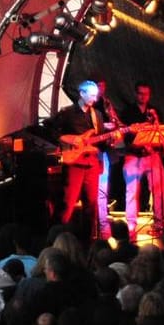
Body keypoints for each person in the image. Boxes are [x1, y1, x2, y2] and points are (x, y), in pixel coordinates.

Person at [53, 80, 116, 239]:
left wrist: (111, 139)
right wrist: (70, 139)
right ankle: (58, 239)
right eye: (92, 95)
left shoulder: (97, 115)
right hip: (74, 163)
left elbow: (100, 140)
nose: (95, 99)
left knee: (92, 204)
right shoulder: (67, 113)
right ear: (81, 93)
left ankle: (90, 240)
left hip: (92, 163)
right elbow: (51, 132)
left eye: (96, 96)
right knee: (68, 203)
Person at [119, 81, 164, 239]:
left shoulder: (154, 112)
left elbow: (161, 133)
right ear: (135, 94)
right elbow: (122, 137)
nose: (143, 96)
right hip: (133, 156)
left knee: (159, 190)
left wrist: (153, 145)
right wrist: (137, 146)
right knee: (132, 191)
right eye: (140, 93)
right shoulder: (127, 112)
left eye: (146, 94)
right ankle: (131, 226)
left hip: (152, 155)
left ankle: (160, 223)